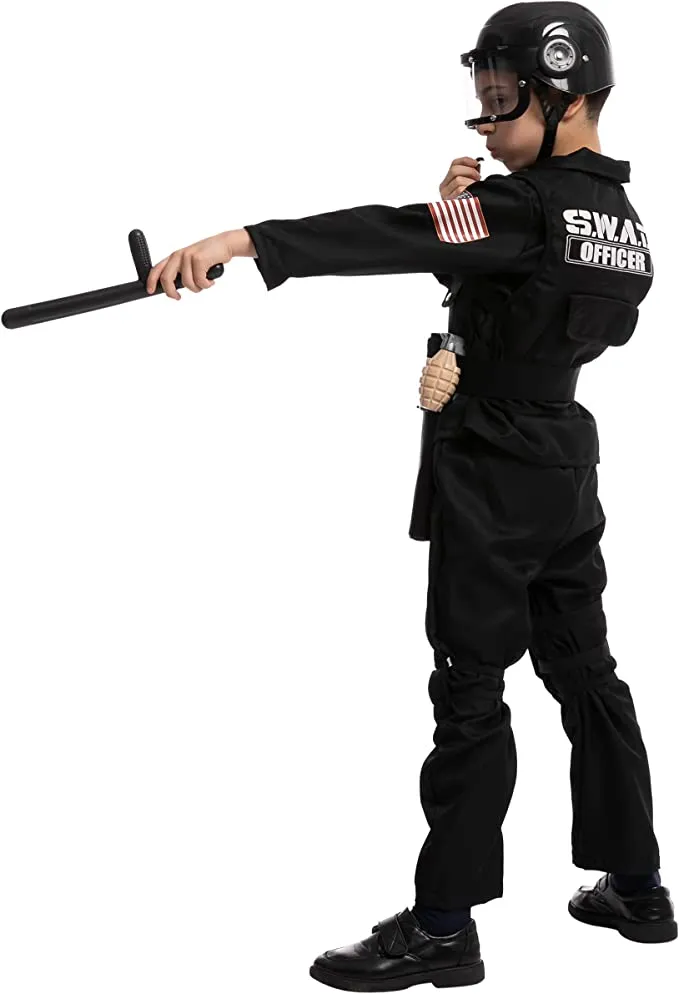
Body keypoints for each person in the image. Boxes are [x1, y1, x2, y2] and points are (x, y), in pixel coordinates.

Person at [145, 2, 676, 988]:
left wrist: (244, 240)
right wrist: (464, 225)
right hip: (563, 463)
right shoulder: (619, 220)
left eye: (503, 100)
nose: (484, 122)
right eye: (481, 99)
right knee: (585, 671)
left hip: (492, 468)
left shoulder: (521, 207)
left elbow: (391, 234)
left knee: (470, 688)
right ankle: (638, 886)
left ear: (565, 97)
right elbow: (507, 281)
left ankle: (441, 927)